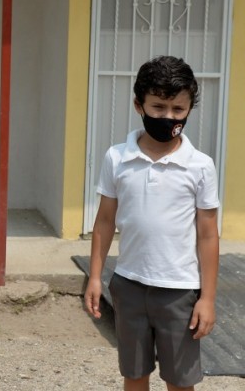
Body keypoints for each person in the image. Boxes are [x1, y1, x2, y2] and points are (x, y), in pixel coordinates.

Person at [84, 56, 219, 391]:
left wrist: (208, 299)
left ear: (189, 109)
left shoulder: (200, 166)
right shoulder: (117, 157)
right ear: (138, 105)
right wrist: (96, 277)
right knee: (134, 374)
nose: (168, 117)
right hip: (128, 286)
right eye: (158, 107)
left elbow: (207, 235)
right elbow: (104, 222)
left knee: (180, 379)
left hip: (180, 292)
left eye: (178, 109)